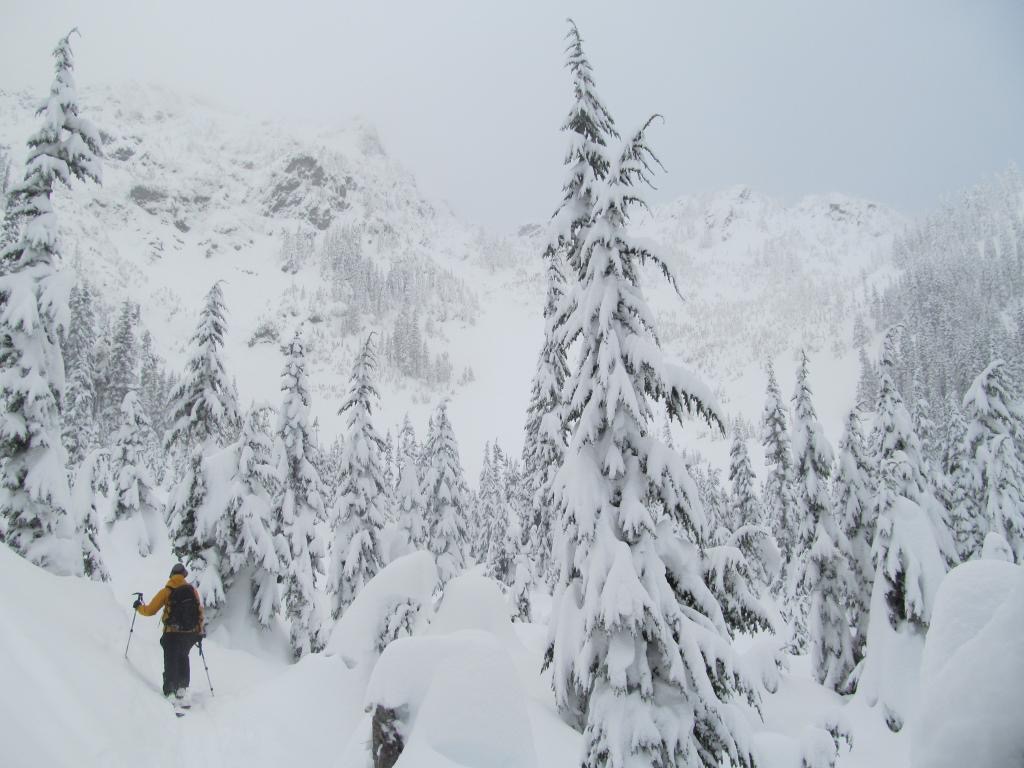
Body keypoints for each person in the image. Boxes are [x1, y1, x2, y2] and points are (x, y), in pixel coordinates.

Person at [134, 563, 205, 700]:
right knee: (184, 656)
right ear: (184, 575)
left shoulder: (166, 591)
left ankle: (170, 690)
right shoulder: (192, 591)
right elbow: (200, 611)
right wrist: (199, 631)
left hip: (172, 633)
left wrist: (138, 607)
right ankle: (182, 688)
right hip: (190, 633)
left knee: (170, 659)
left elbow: (150, 611)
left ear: (172, 575)